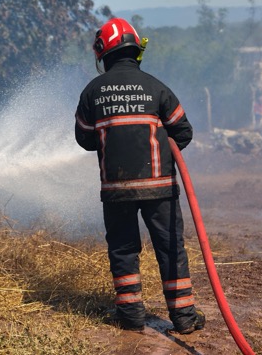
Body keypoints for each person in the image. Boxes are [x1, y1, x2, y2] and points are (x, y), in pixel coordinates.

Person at [74, 17, 205, 334]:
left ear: (103, 54)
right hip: (159, 187)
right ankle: (184, 317)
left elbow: (85, 138)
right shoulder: (156, 87)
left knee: (123, 249)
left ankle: (131, 316)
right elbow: (183, 132)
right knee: (170, 248)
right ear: (136, 50)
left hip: (116, 188)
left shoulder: (92, 91)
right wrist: (156, 149)